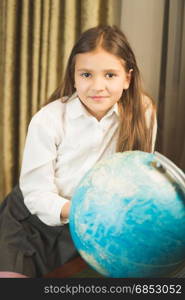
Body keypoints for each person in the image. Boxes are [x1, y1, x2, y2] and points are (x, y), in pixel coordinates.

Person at [0, 25, 157, 278]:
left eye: (110, 75)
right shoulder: (48, 120)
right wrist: (87, 212)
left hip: (90, 226)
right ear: (73, 77)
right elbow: (36, 193)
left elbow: (138, 177)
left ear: (127, 78)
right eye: (86, 75)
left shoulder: (143, 114)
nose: (97, 86)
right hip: (30, 223)